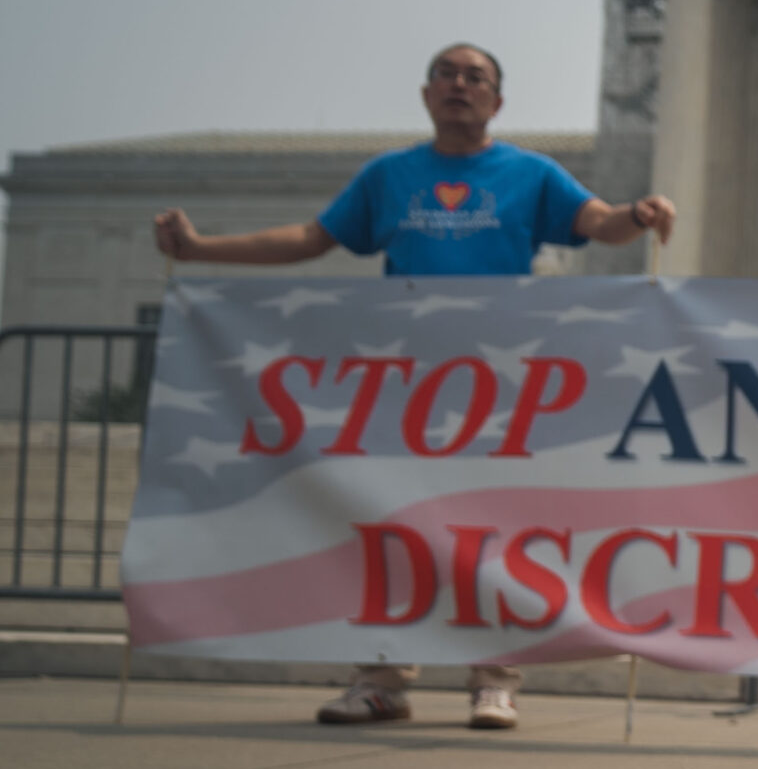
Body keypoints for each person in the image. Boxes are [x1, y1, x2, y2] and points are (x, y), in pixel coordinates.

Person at [153, 42, 679, 730]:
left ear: (497, 101)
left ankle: (495, 676)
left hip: (499, 389)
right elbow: (312, 238)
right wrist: (200, 250)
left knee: (493, 530)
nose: (460, 85)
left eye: (476, 77)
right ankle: (382, 677)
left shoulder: (530, 174)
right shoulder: (390, 177)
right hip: (404, 390)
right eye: (447, 75)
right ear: (427, 95)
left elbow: (600, 223)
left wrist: (638, 215)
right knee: (393, 526)